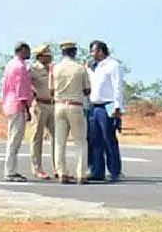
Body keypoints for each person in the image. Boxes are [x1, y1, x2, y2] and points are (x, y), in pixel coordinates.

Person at [51, 40, 92, 183]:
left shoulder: (55, 68)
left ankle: (62, 173)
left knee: (59, 142)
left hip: (59, 105)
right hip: (75, 105)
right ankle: (81, 173)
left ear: (62, 52)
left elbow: (51, 90)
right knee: (80, 141)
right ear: (74, 52)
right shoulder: (80, 68)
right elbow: (87, 90)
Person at [86, 40, 124, 182]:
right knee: (94, 140)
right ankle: (97, 170)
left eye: (94, 51)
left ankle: (114, 171)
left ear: (101, 51)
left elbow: (118, 87)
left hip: (107, 106)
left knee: (109, 139)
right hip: (94, 106)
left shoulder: (113, 65)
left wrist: (117, 107)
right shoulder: (93, 67)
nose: (92, 54)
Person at [0, 42, 34, 182]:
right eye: (28, 50)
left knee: (13, 139)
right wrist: (27, 108)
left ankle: (11, 170)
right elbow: (21, 90)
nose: (29, 53)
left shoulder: (10, 65)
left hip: (10, 103)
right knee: (14, 140)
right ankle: (10, 171)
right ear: (22, 50)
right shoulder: (20, 67)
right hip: (17, 105)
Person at [28, 45, 57, 180]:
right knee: (37, 137)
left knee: (56, 137)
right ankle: (37, 167)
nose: (50, 57)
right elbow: (25, 85)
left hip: (53, 105)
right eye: (47, 55)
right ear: (40, 56)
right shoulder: (33, 69)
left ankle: (58, 166)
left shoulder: (54, 69)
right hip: (39, 104)